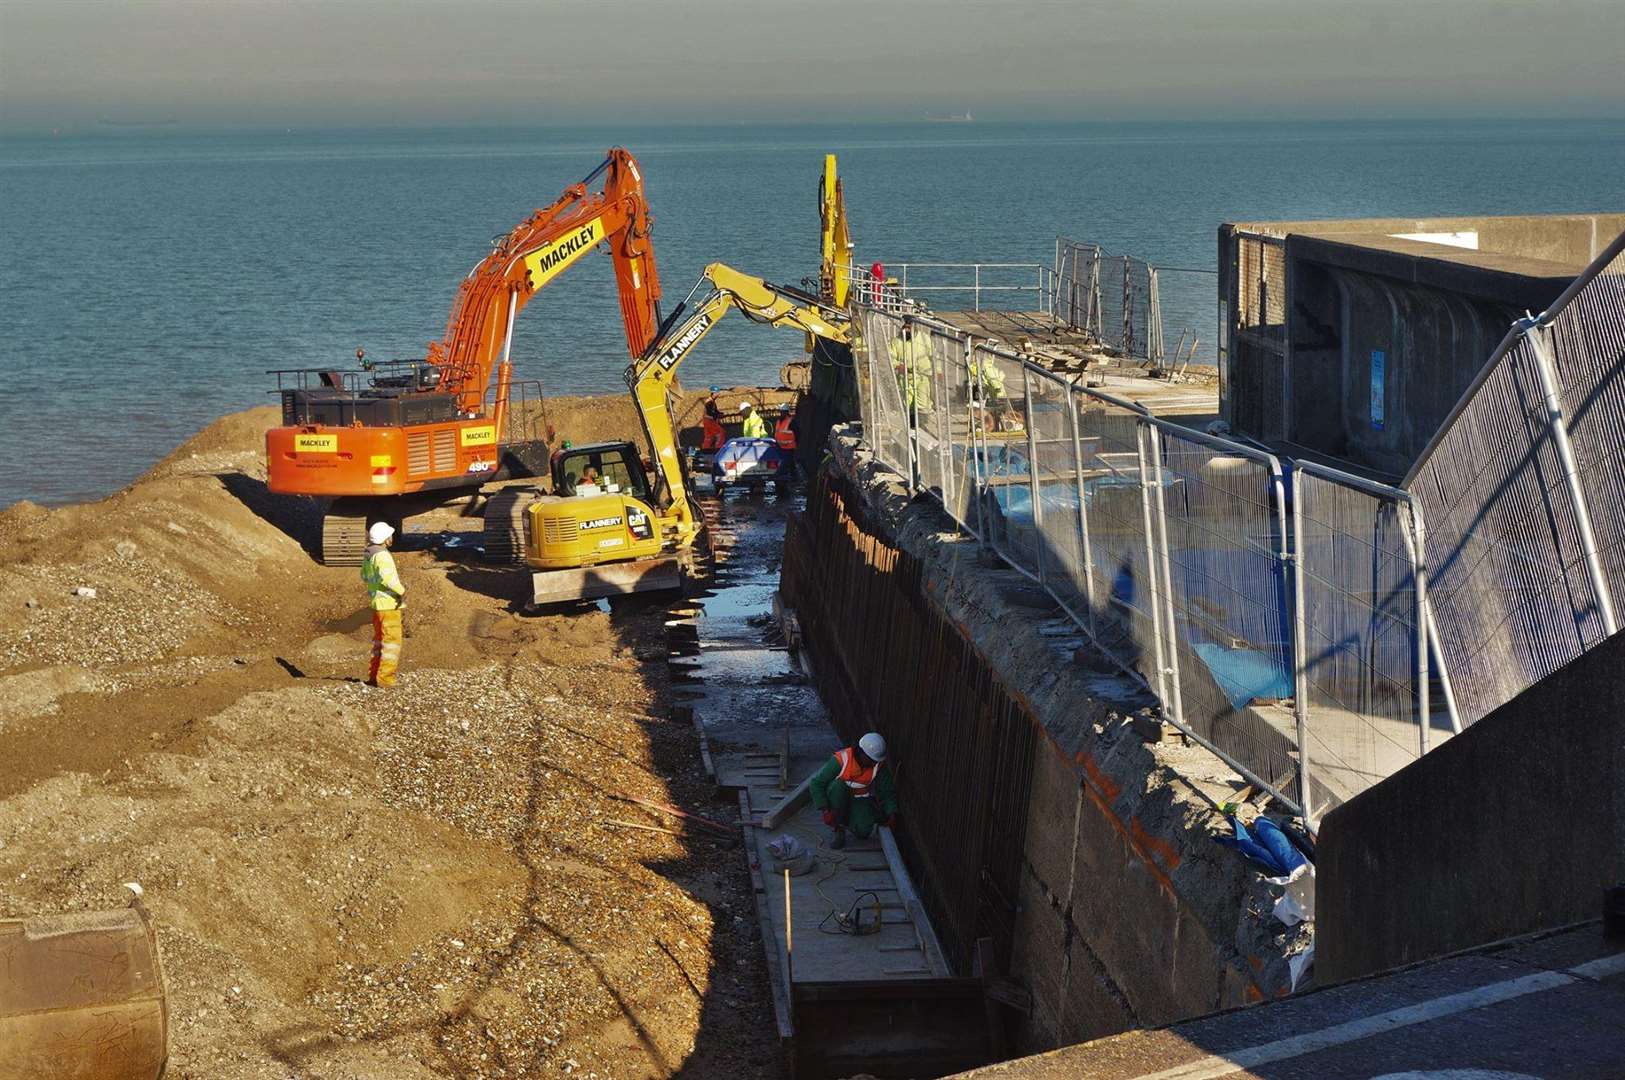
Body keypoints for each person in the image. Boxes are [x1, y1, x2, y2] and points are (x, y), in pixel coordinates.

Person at [808, 732, 898, 849]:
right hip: (838, 797)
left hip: (859, 800)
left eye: (875, 760)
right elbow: (816, 783)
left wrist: (891, 812)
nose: (874, 763)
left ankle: (852, 819)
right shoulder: (842, 760)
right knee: (839, 786)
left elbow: (887, 791)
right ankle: (839, 827)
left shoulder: (877, 765)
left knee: (863, 832)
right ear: (862, 753)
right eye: (871, 760)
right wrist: (825, 810)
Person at [360, 522, 405, 687]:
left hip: (377, 604)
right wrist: (401, 590)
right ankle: (386, 679)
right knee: (392, 642)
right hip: (388, 604)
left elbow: (365, 576)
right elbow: (388, 579)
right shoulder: (383, 556)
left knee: (380, 641)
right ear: (386, 538)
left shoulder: (369, 555)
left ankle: (374, 675)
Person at [701, 387, 726, 451]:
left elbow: (715, 411)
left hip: (706, 420)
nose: (718, 395)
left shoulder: (711, 401)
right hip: (710, 421)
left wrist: (719, 413)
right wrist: (717, 415)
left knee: (709, 436)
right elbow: (710, 412)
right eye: (717, 393)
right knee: (721, 432)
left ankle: (705, 449)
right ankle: (718, 448)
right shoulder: (710, 402)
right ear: (714, 393)